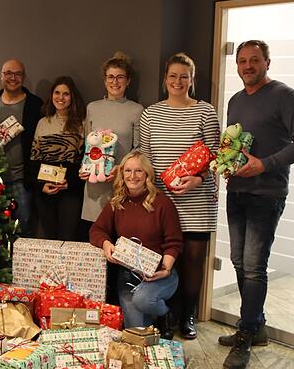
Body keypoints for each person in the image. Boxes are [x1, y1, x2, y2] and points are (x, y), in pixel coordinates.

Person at [218, 40, 294, 369]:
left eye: (254, 60)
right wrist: (228, 166)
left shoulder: (284, 96)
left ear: (267, 62)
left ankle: (245, 335)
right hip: (237, 191)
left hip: (267, 193)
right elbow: (237, 145)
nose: (248, 66)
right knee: (238, 261)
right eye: (242, 60)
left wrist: (266, 164)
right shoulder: (234, 101)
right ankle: (255, 326)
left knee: (254, 265)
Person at [138, 52, 220, 339]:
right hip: (162, 202)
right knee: (163, 261)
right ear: (165, 80)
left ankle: (188, 315)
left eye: (183, 76)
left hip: (197, 202)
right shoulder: (150, 114)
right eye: (172, 75)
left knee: (193, 261)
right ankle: (165, 314)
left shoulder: (205, 112)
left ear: (192, 80)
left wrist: (198, 179)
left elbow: (216, 156)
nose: (177, 81)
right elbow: (145, 158)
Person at [89, 151, 183, 328]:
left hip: (158, 273)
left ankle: (166, 314)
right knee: (135, 331)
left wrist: (166, 269)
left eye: (138, 171)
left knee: (142, 300)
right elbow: (97, 230)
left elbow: (174, 243)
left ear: (147, 174)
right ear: (122, 174)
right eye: (128, 171)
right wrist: (106, 244)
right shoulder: (117, 202)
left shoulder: (163, 203)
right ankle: (152, 322)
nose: (133, 176)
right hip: (128, 274)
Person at [80, 52, 144, 228]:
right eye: (110, 77)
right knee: (94, 239)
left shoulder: (136, 110)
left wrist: (121, 169)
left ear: (128, 81)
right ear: (104, 80)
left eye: (120, 77)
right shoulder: (92, 108)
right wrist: (84, 168)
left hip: (122, 183)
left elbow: (138, 148)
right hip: (95, 185)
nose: (115, 82)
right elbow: (88, 145)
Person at [0, 59, 44, 236]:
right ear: (1, 76)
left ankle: (20, 264)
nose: (13, 78)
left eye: (17, 74)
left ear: (24, 77)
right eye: (8, 73)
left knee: (25, 225)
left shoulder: (35, 105)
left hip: (22, 178)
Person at [29, 76, 86, 240]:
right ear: (51, 95)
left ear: (72, 97)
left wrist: (70, 182)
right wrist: (42, 185)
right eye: (57, 92)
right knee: (50, 239)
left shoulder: (82, 124)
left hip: (70, 190)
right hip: (45, 191)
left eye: (66, 94)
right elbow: (34, 160)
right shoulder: (42, 123)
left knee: (68, 239)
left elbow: (84, 160)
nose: (60, 98)